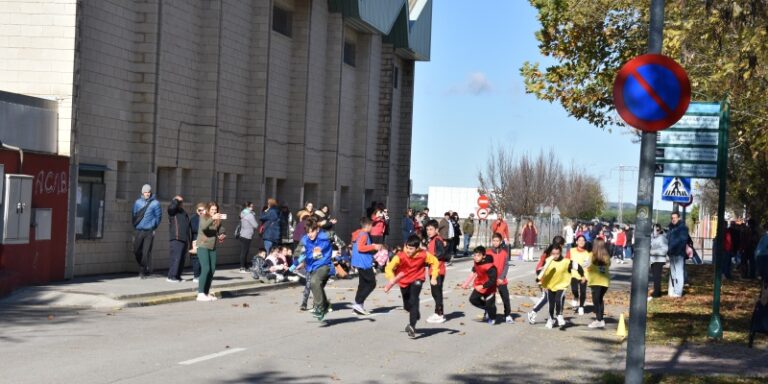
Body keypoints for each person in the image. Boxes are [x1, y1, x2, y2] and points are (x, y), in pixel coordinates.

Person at [384, 235, 440, 338]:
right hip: (403, 281)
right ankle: (415, 312)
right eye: (407, 248)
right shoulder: (399, 256)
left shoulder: (423, 255)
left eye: (411, 249)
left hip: (417, 279)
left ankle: (412, 326)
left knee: (414, 299)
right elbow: (389, 268)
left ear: (417, 248)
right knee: (407, 305)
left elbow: (435, 262)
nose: (408, 251)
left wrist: (434, 277)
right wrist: (391, 277)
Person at [300, 217, 335, 321]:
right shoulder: (306, 239)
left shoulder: (323, 238)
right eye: (308, 232)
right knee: (317, 286)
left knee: (314, 282)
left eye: (312, 232)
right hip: (312, 267)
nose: (310, 234)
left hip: (324, 265)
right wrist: (297, 261)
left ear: (317, 230)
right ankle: (326, 305)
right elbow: (304, 252)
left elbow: (316, 254)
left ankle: (319, 308)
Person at [527, 236, 567, 324]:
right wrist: (542, 282)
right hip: (543, 275)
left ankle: (556, 315)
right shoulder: (551, 254)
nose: (563, 247)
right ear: (560, 245)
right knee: (546, 297)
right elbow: (543, 269)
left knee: (559, 296)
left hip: (550, 277)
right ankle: (533, 313)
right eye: (563, 245)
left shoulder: (553, 251)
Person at [537, 244, 578, 329]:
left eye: (557, 253)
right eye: (553, 253)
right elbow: (541, 272)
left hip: (561, 285)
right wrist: (541, 282)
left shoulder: (565, 261)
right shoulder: (548, 260)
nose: (555, 255)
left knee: (558, 299)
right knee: (551, 304)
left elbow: (575, 266)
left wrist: (581, 273)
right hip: (550, 285)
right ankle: (551, 318)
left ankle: (559, 315)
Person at [351, 217, 383, 315]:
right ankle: (359, 302)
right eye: (371, 226)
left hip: (358, 262)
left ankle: (358, 305)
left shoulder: (358, 233)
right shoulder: (364, 234)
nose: (372, 228)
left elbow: (358, 246)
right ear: (368, 225)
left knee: (363, 284)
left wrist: (371, 245)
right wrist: (374, 246)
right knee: (371, 283)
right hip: (364, 263)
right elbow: (361, 247)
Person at [196, 202, 226, 302]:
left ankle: (206, 292)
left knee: (212, 270)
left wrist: (222, 233)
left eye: (215, 210)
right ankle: (200, 293)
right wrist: (212, 218)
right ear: (208, 210)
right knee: (206, 268)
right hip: (203, 245)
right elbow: (204, 226)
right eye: (212, 210)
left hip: (212, 247)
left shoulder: (217, 219)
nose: (214, 211)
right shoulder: (203, 216)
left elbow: (220, 228)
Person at [461, 246, 498, 325]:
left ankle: (493, 317)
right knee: (473, 299)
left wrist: (483, 286)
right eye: (474, 255)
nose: (476, 257)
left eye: (478, 255)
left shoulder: (490, 267)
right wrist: (465, 284)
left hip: (489, 288)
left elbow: (493, 280)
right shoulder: (476, 263)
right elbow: (473, 272)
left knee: (490, 304)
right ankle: (488, 309)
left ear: (483, 256)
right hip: (479, 285)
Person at [132, 184, 162, 278]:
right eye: (145, 192)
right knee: (136, 251)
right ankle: (143, 266)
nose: (147, 194)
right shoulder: (137, 203)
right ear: (142, 192)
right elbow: (134, 215)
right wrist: (135, 225)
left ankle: (142, 271)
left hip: (149, 231)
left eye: (148, 192)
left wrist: (153, 226)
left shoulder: (155, 203)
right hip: (139, 230)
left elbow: (158, 217)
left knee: (146, 252)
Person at [426, 219, 448, 323]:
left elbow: (441, 253)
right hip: (432, 270)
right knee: (434, 292)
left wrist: (430, 258)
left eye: (431, 229)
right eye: (427, 229)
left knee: (437, 292)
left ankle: (440, 314)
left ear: (436, 230)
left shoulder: (438, 240)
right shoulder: (431, 240)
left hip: (438, 270)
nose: (429, 231)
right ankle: (437, 312)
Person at [487, 233, 513, 323]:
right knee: (490, 299)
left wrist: (501, 277)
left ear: (500, 241)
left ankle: (507, 315)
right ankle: (490, 315)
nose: (495, 242)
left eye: (497, 241)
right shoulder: (488, 253)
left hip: (501, 279)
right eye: (494, 240)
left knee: (505, 297)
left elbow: (506, 266)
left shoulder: (504, 253)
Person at [166, 195, 192, 283]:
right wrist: (176, 201)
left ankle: (177, 276)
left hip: (184, 238)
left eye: (182, 202)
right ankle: (171, 276)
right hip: (176, 238)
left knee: (181, 259)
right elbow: (172, 207)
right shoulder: (173, 210)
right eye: (179, 202)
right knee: (176, 258)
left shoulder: (183, 212)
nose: (181, 203)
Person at [586, 238, 611, 329]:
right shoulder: (607, 256)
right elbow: (608, 265)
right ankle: (600, 319)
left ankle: (599, 320)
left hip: (595, 282)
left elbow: (587, 265)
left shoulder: (591, 256)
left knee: (596, 301)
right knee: (599, 300)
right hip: (604, 282)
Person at [667, 212, 688, 297]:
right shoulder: (671, 228)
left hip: (679, 254)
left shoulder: (683, 228)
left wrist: (678, 251)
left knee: (679, 273)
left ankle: (678, 292)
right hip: (671, 253)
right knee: (673, 273)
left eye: (675, 217)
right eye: (672, 218)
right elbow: (668, 240)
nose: (673, 219)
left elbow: (683, 241)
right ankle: (675, 290)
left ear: (679, 218)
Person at [569, 235, 591, 315]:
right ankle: (575, 296)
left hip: (583, 275)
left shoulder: (587, 254)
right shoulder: (571, 251)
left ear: (585, 242)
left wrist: (585, 277)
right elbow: (567, 262)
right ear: (576, 242)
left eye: (583, 240)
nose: (581, 242)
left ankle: (581, 307)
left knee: (583, 292)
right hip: (573, 274)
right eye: (579, 240)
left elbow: (587, 267)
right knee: (574, 290)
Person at [238, 201, 259, 273]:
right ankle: (242, 267)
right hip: (247, 235)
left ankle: (245, 266)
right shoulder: (250, 215)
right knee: (244, 252)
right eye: (251, 207)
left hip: (242, 234)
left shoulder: (242, 213)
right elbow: (255, 225)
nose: (252, 208)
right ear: (247, 207)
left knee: (244, 251)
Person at [649, 224, 668, 299]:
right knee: (655, 277)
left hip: (659, 260)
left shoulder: (662, 238)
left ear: (660, 230)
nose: (656, 231)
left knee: (657, 277)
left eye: (657, 230)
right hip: (653, 259)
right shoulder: (652, 237)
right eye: (654, 229)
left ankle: (657, 293)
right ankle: (657, 291)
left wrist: (652, 252)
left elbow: (665, 249)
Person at [189, 203, 205, 282]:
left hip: (204, 240)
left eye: (203, 210)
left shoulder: (205, 218)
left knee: (202, 259)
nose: (201, 212)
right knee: (196, 259)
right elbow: (194, 229)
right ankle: (196, 276)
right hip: (195, 240)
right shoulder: (194, 218)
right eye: (200, 210)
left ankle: (201, 275)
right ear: (196, 210)